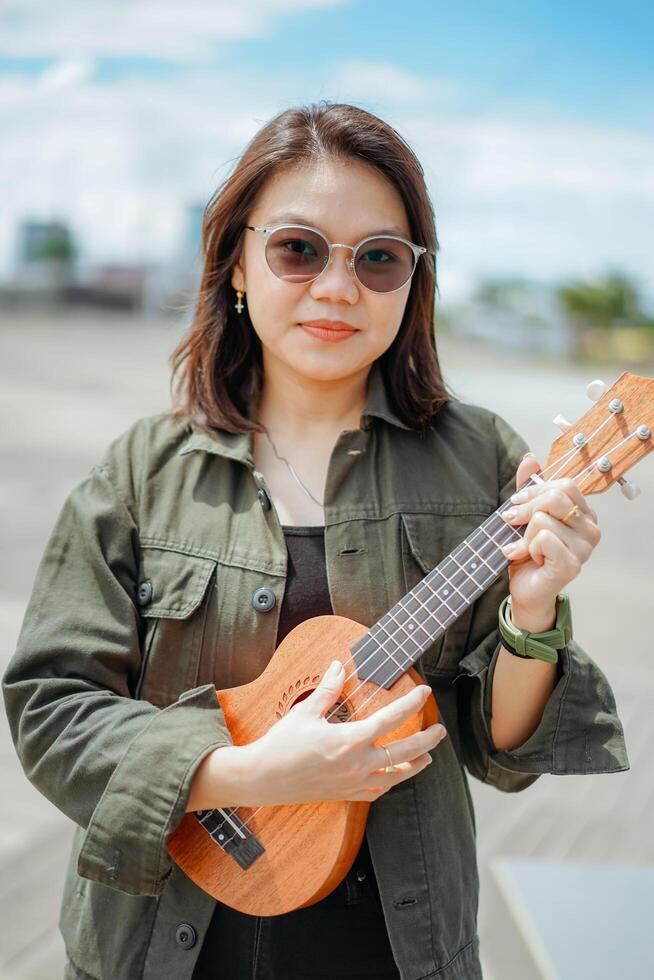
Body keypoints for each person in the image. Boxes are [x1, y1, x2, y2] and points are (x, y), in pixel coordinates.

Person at [2, 101, 629, 980]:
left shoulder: (483, 458)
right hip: (156, 945)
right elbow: (51, 705)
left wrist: (531, 613)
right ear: (238, 267)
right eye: (299, 248)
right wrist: (243, 774)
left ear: (414, 283)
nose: (338, 287)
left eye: (379, 258)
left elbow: (502, 749)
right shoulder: (143, 469)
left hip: (389, 949)